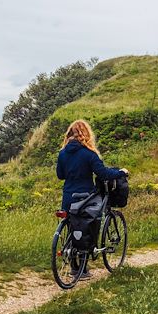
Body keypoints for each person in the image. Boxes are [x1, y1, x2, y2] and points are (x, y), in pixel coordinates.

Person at [56, 119, 127, 279]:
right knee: (87, 227)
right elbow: (103, 174)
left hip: (68, 196)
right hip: (85, 196)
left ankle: (74, 266)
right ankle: (82, 268)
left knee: (72, 227)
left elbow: (60, 175)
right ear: (86, 134)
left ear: (70, 134)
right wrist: (121, 172)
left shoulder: (63, 153)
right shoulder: (89, 154)